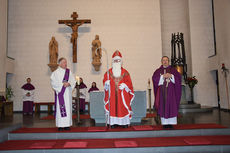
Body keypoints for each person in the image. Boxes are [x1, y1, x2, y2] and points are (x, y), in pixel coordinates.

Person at [103, 50, 135, 128]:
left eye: (118, 60)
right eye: (115, 60)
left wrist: (125, 85)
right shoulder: (108, 73)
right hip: (112, 96)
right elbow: (105, 84)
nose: (117, 61)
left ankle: (123, 123)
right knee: (113, 108)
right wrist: (106, 84)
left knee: (122, 108)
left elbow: (130, 84)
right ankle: (113, 123)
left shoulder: (125, 73)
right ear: (112, 61)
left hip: (122, 95)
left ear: (121, 61)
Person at [152, 56, 182, 129]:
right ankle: (165, 123)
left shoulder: (173, 70)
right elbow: (154, 79)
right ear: (161, 62)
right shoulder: (158, 71)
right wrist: (162, 77)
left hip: (172, 94)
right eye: (163, 60)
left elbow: (178, 79)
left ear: (168, 61)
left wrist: (171, 76)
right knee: (163, 107)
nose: (165, 61)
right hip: (162, 94)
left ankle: (171, 123)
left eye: (166, 60)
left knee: (171, 107)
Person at [50, 57, 75, 131]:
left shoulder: (69, 72)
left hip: (67, 94)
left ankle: (67, 125)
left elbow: (73, 81)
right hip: (60, 94)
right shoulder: (55, 73)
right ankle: (60, 125)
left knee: (68, 108)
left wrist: (69, 84)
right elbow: (53, 83)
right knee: (60, 109)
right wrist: (62, 85)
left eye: (66, 62)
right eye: (64, 62)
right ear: (59, 64)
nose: (66, 64)